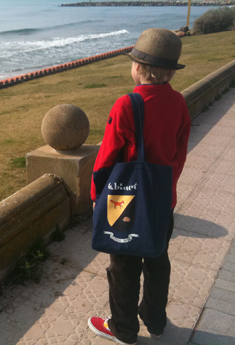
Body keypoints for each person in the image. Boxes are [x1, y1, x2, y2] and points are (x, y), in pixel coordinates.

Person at [87, 28, 191, 345]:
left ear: (138, 67)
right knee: (158, 259)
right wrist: (167, 187)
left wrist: (96, 197)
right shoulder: (178, 103)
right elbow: (179, 154)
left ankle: (123, 329)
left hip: (126, 200)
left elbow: (106, 158)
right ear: (171, 70)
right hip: (162, 198)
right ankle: (155, 321)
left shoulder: (127, 105)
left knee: (124, 265)